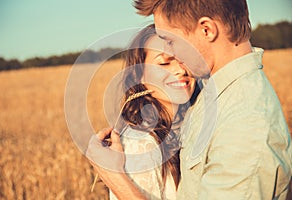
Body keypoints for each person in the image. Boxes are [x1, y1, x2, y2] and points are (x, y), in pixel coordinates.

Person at [88, 0, 292, 199]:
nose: (174, 57)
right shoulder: (214, 92)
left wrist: (115, 177)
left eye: (170, 41)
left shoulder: (244, 126)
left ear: (207, 30)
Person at [87, 24, 199, 199]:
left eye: (183, 60)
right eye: (164, 63)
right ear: (139, 76)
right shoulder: (139, 145)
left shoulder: (188, 127)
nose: (180, 70)